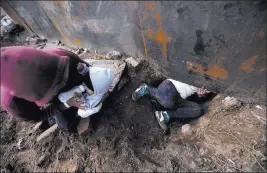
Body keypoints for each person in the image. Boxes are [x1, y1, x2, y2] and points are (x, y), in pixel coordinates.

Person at [0, 46, 95, 133]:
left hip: (65, 68)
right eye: (55, 86)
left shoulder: (60, 54)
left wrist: (89, 75)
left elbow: (88, 69)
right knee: (67, 126)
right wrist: (66, 104)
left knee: (93, 85)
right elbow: (38, 116)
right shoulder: (12, 102)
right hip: (54, 93)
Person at [132, 79, 209, 133]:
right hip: (170, 85)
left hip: (180, 98)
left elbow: (201, 94)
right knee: (167, 102)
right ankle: (146, 89)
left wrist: (200, 94)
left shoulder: (212, 80)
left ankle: (164, 115)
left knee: (198, 110)